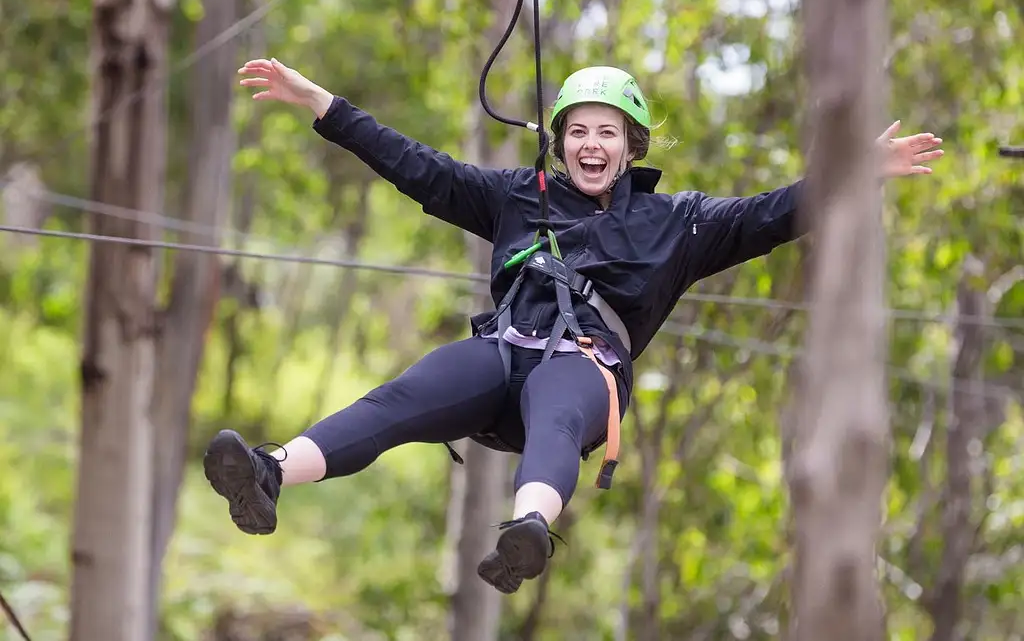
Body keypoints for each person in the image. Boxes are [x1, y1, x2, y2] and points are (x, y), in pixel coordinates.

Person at [203, 58, 943, 594]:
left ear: (632, 145)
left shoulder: (677, 223)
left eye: (609, 133)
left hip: (583, 372)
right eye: (579, 131)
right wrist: (320, 102)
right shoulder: (516, 197)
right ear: (560, 140)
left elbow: (772, 213)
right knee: (410, 390)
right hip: (500, 357)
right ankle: (269, 472)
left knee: (558, 403)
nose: (593, 145)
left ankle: (527, 529)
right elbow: (415, 166)